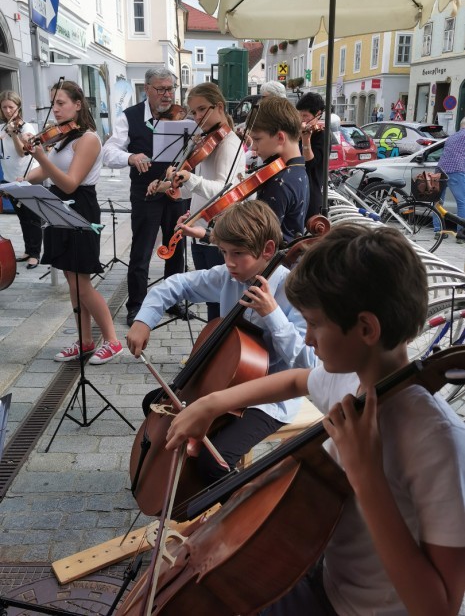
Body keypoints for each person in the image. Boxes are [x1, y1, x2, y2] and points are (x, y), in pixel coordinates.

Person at [166, 223, 465, 616]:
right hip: (324, 577)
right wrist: (211, 403)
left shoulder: (436, 441)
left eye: (313, 324)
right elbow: (294, 379)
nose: (305, 339)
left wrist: (367, 477)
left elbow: (438, 607)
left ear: (366, 328)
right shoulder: (349, 376)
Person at [126, 199, 316, 486]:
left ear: (267, 250)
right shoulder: (230, 276)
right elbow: (177, 284)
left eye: (237, 253)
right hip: (224, 383)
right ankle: (183, 486)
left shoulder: (295, 291)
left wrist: (272, 314)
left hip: (269, 400)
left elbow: (308, 363)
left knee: (214, 462)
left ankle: (240, 511)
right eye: (224, 252)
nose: (228, 263)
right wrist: (144, 320)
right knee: (154, 406)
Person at [25, 81, 123, 365]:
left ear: (78, 105)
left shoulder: (88, 139)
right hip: (58, 207)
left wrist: (41, 155)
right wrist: (21, 181)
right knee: (72, 280)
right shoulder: (61, 138)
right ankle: (85, 341)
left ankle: (112, 340)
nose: (54, 109)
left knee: (82, 283)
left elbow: (69, 183)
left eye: (61, 103)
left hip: (79, 207)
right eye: (53, 103)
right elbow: (42, 172)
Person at [146, 82, 246, 321]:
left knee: (222, 307)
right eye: (194, 112)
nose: (198, 117)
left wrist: (190, 177)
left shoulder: (229, 144)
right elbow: (196, 191)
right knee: (212, 302)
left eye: (203, 110)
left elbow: (224, 192)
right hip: (199, 228)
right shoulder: (208, 141)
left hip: (220, 232)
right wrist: (169, 185)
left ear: (219, 107)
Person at [102, 67, 190, 327]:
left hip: (176, 189)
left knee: (177, 248)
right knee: (141, 251)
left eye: (170, 89)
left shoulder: (181, 116)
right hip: (145, 192)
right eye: (161, 89)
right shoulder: (129, 117)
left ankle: (173, 300)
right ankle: (137, 306)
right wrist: (130, 157)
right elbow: (108, 152)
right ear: (147, 89)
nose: (167, 95)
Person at [245, 96, 309, 243]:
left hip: (272, 263)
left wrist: (208, 234)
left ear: (280, 137)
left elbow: (258, 239)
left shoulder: (280, 181)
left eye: (257, 139)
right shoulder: (298, 169)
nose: (253, 147)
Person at [0, 90, 42, 269]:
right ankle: (27, 249)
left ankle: (35, 254)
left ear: (18, 108)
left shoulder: (26, 128)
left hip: (27, 177)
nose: (8, 111)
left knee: (32, 217)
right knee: (22, 216)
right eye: (4, 107)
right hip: (10, 177)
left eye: (11, 107)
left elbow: (22, 152)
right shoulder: (2, 127)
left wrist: (14, 135)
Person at [296, 92, 325, 220]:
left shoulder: (322, 135)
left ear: (318, 114)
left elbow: (311, 162)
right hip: (297, 190)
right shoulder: (298, 133)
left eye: (306, 116)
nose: (302, 119)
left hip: (311, 194)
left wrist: (306, 139)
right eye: (300, 115)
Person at [437, 116, 465, 244]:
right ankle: (461, 234)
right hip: (456, 169)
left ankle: (438, 231)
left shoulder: (452, 136)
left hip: (440, 169)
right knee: (462, 202)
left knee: (438, 201)